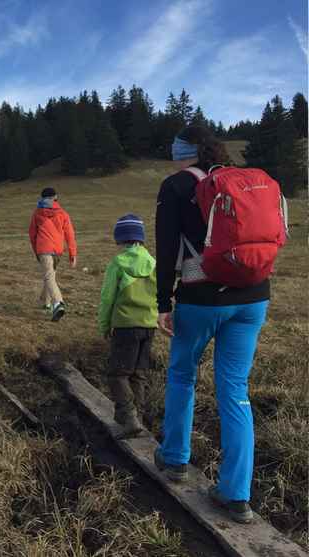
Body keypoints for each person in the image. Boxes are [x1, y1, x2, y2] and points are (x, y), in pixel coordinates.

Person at [154, 125, 270, 524]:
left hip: (201, 298)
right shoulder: (243, 179)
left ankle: (174, 459)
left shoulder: (175, 187)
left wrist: (162, 301)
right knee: (236, 390)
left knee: (183, 375)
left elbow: (168, 248)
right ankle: (237, 494)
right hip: (254, 296)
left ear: (181, 151)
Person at [98, 214, 158, 439]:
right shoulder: (153, 262)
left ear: (120, 239)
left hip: (125, 326)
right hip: (149, 326)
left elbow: (107, 298)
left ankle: (129, 416)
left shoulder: (118, 263)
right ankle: (137, 418)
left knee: (117, 374)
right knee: (138, 374)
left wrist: (104, 325)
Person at [28, 187, 77, 321]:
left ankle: (58, 303)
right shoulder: (63, 214)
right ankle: (46, 303)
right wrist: (73, 254)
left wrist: (36, 251)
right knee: (50, 276)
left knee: (49, 277)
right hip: (57, 251)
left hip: (44, 250)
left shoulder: (37, 213)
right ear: (55, 197)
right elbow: (70, 235)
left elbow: (32, 235)